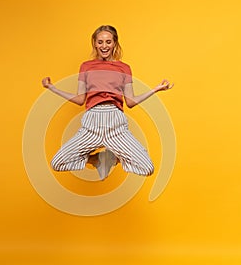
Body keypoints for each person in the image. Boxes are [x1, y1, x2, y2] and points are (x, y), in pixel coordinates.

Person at [42, 25, 173, 180]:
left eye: (108, 42)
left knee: (147, 167)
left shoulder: (124, 68)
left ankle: (112, 158)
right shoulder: (86, 66)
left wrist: (156, 89)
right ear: (95, 44)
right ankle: (97, 159)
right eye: (100, 42)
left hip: (116, 124)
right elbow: (80, 99)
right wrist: (52, 88)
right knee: (57, 162)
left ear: (115, 43)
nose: (104, 46)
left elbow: (130, 101)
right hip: (91, 124)